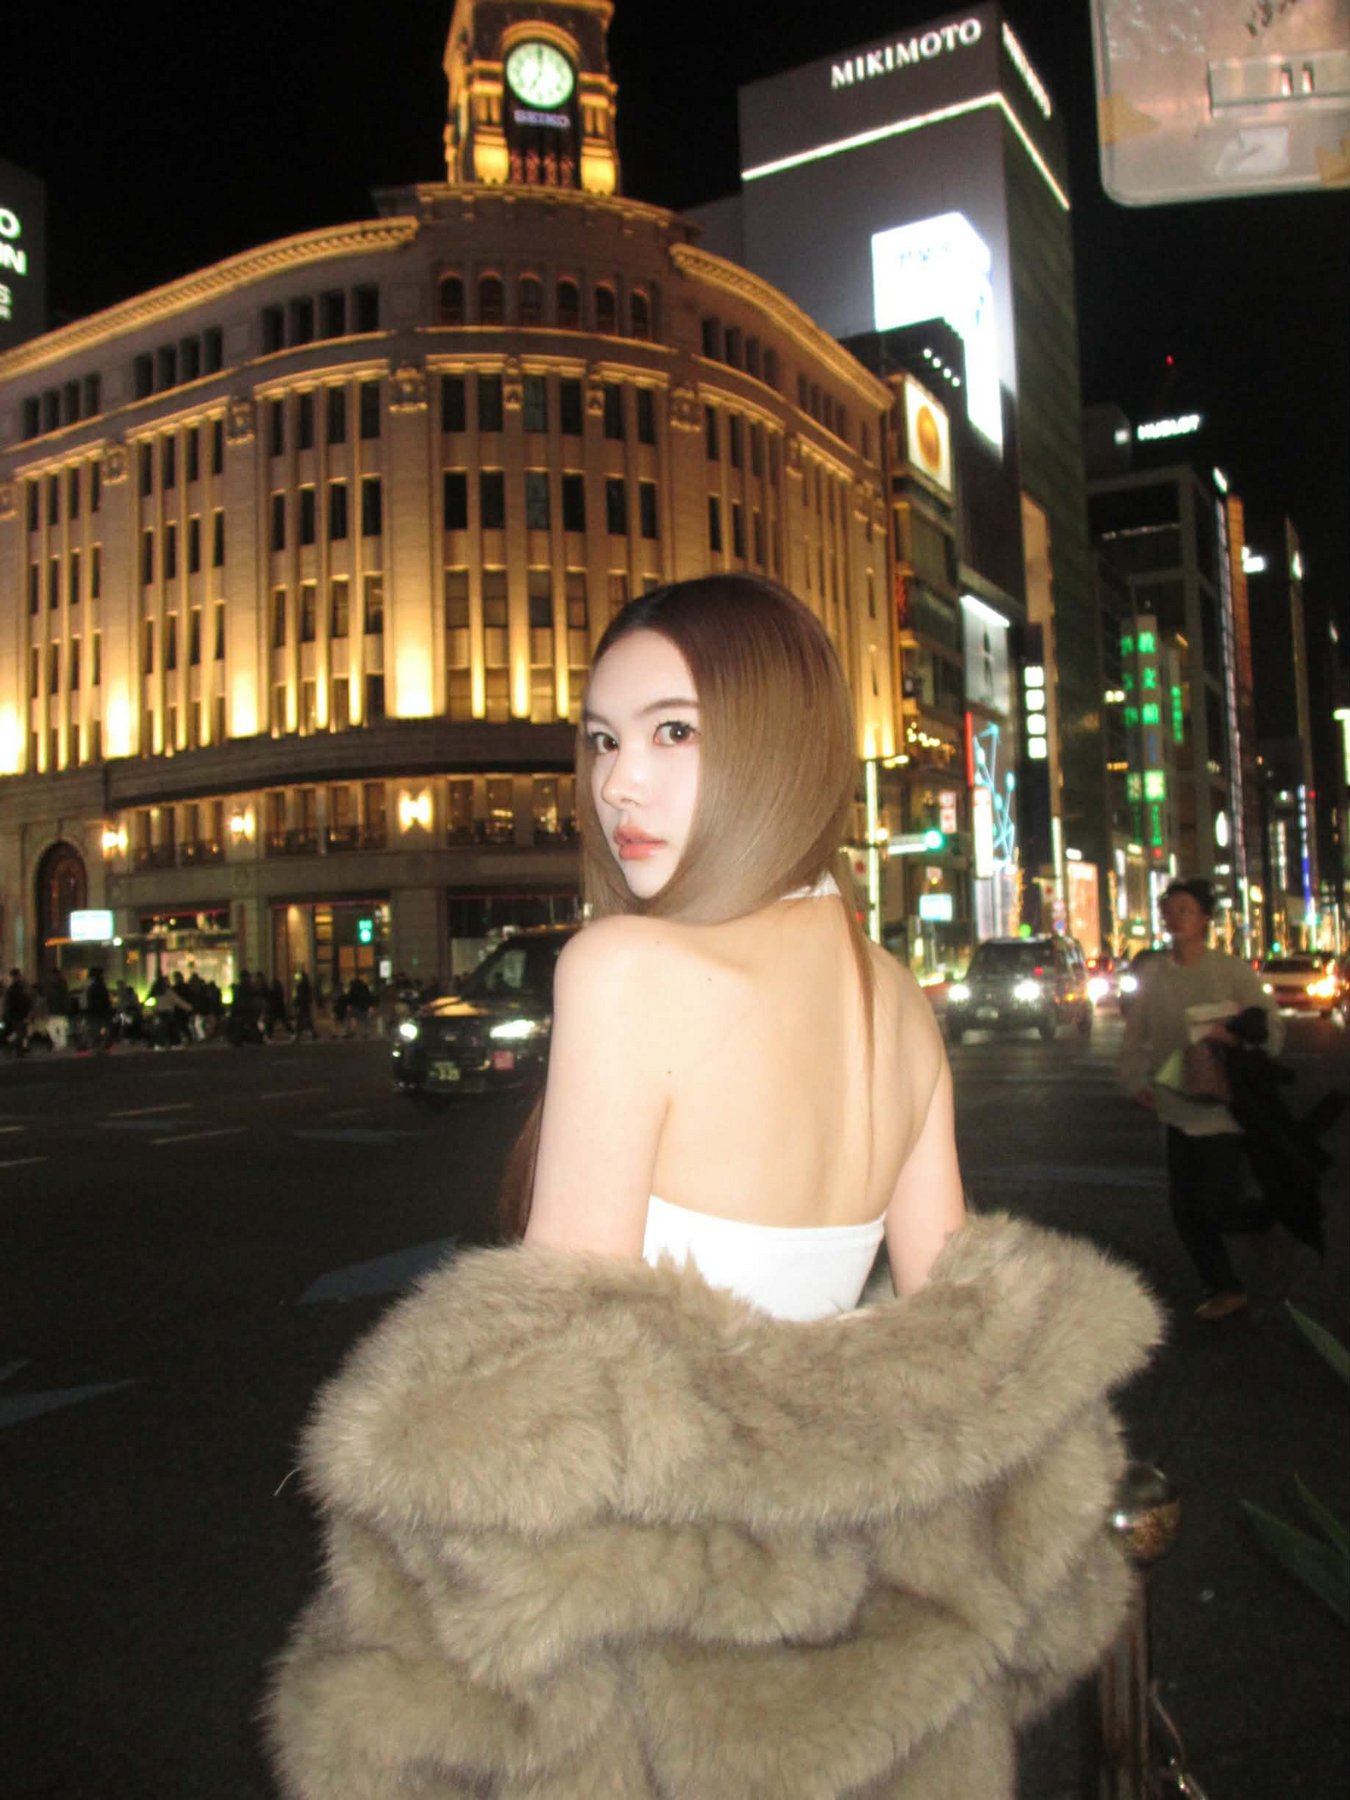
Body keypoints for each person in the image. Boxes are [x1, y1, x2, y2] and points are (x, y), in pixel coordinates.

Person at [268, 577, 1159, 1798]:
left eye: (673, 731)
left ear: (778, 747)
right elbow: (958, 1327)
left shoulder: (626, 968)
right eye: (602, 740)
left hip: (647, 1655)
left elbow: (553, 1371)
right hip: (836, 1638)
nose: (619, 784)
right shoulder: (895, 998)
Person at [1119, 877, 1284, 1321]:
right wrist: (1134, 1080)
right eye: (1169, 910)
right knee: (1184, 1209)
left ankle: (1265, 1218)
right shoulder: (1154, 974)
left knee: (1216, 1205)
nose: (1175, 918)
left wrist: (1231, 1035)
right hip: (1175, 1106)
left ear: (1205, 918)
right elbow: (1135, 1036)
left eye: (1185, 910)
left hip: (1222, 1109)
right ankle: (1224, 1287)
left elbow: (1271, 1027)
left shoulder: (1229, 971)